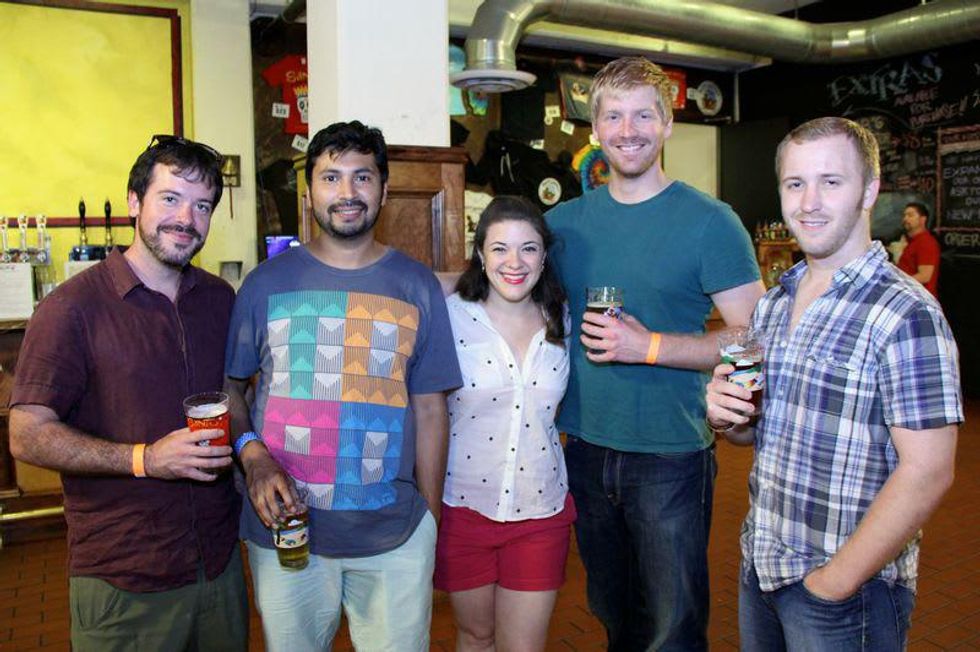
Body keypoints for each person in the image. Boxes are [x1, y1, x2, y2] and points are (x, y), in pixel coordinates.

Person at [706, 117, 962, 650]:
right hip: (762, 567)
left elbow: (929, 470)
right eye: (795, 184)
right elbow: (750, 432)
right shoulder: (774, 304)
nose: (809, 202)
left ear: (869, 191)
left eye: (831, 181)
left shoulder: (906, 312)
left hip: (846, 590)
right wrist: (727, 414)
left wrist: (835, 582)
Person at [545, 56, 766, 651]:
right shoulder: (561, 224)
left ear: (669, 123)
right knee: (616, 618)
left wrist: (650, 347)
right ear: (594, 128)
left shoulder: (711, 223)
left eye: (644, 114)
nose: (628, 129)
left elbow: (758, 338)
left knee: (673, 631)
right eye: (613, 115)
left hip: (671, 456)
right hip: (585, 449)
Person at [224, 120, 461, 652]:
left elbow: (429, 409)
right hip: (286, 532)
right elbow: (231, 388)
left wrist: (430, 518)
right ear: (308, 193)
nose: (347, 193)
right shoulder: (265, 284)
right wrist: (251, 453)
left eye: (362, 177)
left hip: (395, 535)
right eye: (331, 178)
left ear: (384, 189)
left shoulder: (416, 284)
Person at [8, 135, 247, 651]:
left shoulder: (219, 300)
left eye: (202, 205)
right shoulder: (72, 308)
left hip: (219, 567)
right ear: (135, 202)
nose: (186, 217)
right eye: (170, 198)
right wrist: (144, 459)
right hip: (125, 580)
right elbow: (27, 435)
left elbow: (232, 393)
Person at [436, 196, 574, 652]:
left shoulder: (564, 319)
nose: (514, 262)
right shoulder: (450, 316)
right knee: (476, 636)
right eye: (499, 249)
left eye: (528, 248)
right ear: (480, 254)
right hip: (464, 507)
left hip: (540, 510)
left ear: (544, 254)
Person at [897, 201, 941, 297]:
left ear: (922, 219)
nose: (905, 219)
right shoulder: (911, 242)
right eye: (904, 215)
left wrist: (898, 284)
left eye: (910, 215)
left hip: (920, 300)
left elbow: (925, 276)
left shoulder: (926, 242)